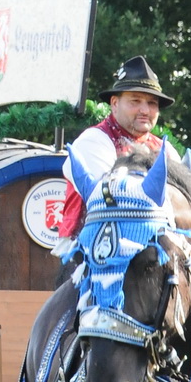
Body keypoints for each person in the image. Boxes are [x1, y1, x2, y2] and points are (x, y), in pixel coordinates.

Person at [57, 56, 180, 244]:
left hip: (153, 248)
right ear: (114, 103)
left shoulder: (166, 149)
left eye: (152, 103)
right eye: (135, 101)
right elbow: (113, 200)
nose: (145, 110)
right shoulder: (93, 141)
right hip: (88, 249)